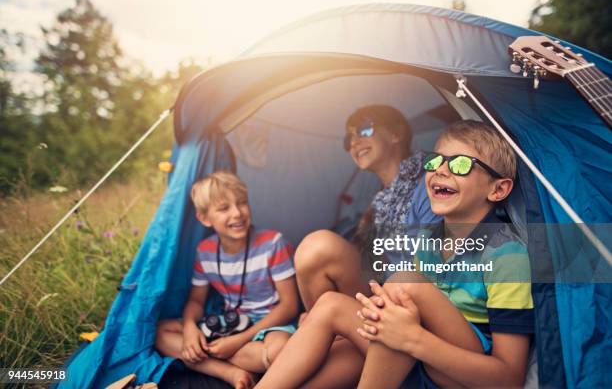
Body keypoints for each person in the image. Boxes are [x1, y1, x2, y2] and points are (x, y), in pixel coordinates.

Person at [256, 120, 533, 388]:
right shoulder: (429, 237)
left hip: (455, 372)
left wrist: (412, 339)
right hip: (413, 357)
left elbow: (508, 379)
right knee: (329, 305)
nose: (441, 171)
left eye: (460, 164)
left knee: (404, 285)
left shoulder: (506, 255)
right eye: (434, 161)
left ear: (498, 189)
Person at [260, 105, 439, 387]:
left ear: (396, 133)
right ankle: (333, 335)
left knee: (318, 248)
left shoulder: (431, 179)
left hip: (417, 313)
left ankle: (333, 335)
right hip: (379, 304)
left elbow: (428, 267)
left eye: (365, 130)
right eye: (348, 140)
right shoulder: (379, 202)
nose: (354, 142)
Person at [155, 171, 300, 389]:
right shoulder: (205, 251)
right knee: (161, 332)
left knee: (282, 350)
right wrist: (190, 330)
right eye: (224, 208)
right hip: (230, 324)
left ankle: (213, 355)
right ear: (204, 218)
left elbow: (290, 306)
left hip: (270, 325)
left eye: (241, 203)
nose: (237, 213)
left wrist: (238, 342)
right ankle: (231, 372)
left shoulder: (272, 243)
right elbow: (196, 301)